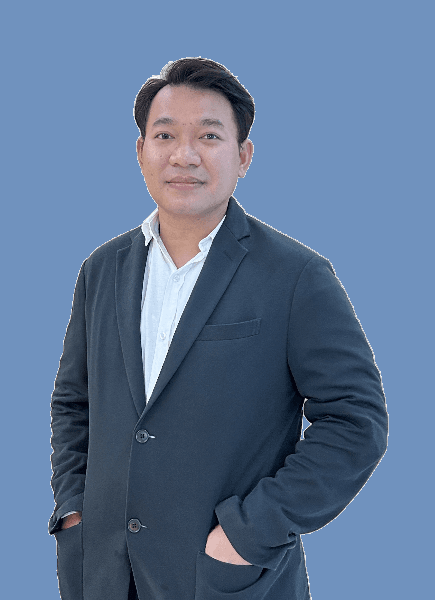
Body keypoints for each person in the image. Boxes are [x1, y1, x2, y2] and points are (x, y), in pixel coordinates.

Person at [49, 57, 388, 600]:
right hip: (105, 574)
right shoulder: (102, 270)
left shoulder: (296, 276)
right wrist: (73, 508)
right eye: (165, 135)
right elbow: (74, 403)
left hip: (224, 577)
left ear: (243, 156)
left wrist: (249, 531)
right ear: (141, 151)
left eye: (209, 136)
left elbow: (356, 421)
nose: (184, 155)